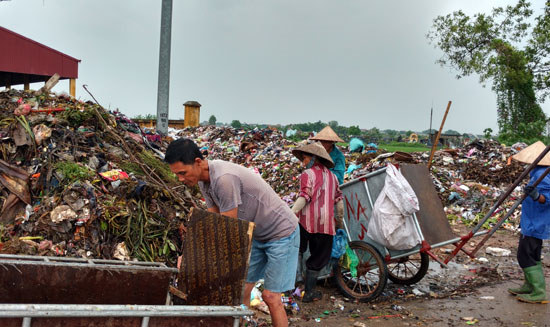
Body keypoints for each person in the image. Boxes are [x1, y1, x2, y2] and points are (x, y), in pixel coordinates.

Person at [165, 138, 299, 327]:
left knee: (271, 296)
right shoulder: (204, 182)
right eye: (177, 174)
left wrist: (193, 260)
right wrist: (187, 256)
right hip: (258, 235)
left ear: (197, 162)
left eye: (182, 173)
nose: (180, 179)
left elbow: (227, 230)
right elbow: (214, 223)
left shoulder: (223, 179)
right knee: (241, 290)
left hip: (281, 232)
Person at [291, 142, 343, 302]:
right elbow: (339, 203)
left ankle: (293, 284)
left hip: (306, 223)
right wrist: (339, 222)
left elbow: (304, 196)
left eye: (305, 158)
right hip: (326, 226)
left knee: (296, 251)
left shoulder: (308, 174)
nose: (303, 162)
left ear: (314, 158)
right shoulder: (334, 177)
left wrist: (290, 213)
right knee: (318, 258)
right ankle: (309, 292)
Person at [509, 141, 549, 304]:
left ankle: (539, 291)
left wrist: (535, 195)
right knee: (533, 254)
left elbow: (547, 199)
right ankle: (529, 285)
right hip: (531, 221)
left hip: (536, 222)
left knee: (525, 256)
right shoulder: (538, 172)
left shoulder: (544, 174)